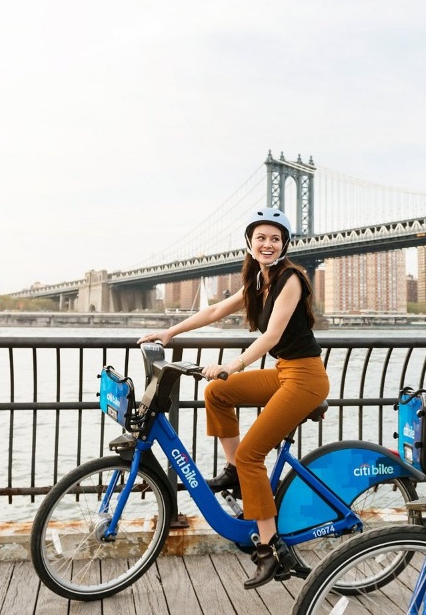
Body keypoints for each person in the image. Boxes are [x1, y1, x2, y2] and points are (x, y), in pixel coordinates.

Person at [138, 207, 330, 590]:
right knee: (217, 392)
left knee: (251, 455)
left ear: (285, 245)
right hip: (282, 372)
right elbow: (213, 310)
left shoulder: (290, 278)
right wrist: (169, 333)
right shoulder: (257, 281)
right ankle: (237, 477)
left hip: (306, 378)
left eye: (275, 238)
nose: (267, 244)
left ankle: (271, 548)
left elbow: (272, 336)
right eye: (261, 237)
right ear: (249, 243)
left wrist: (235, 363)